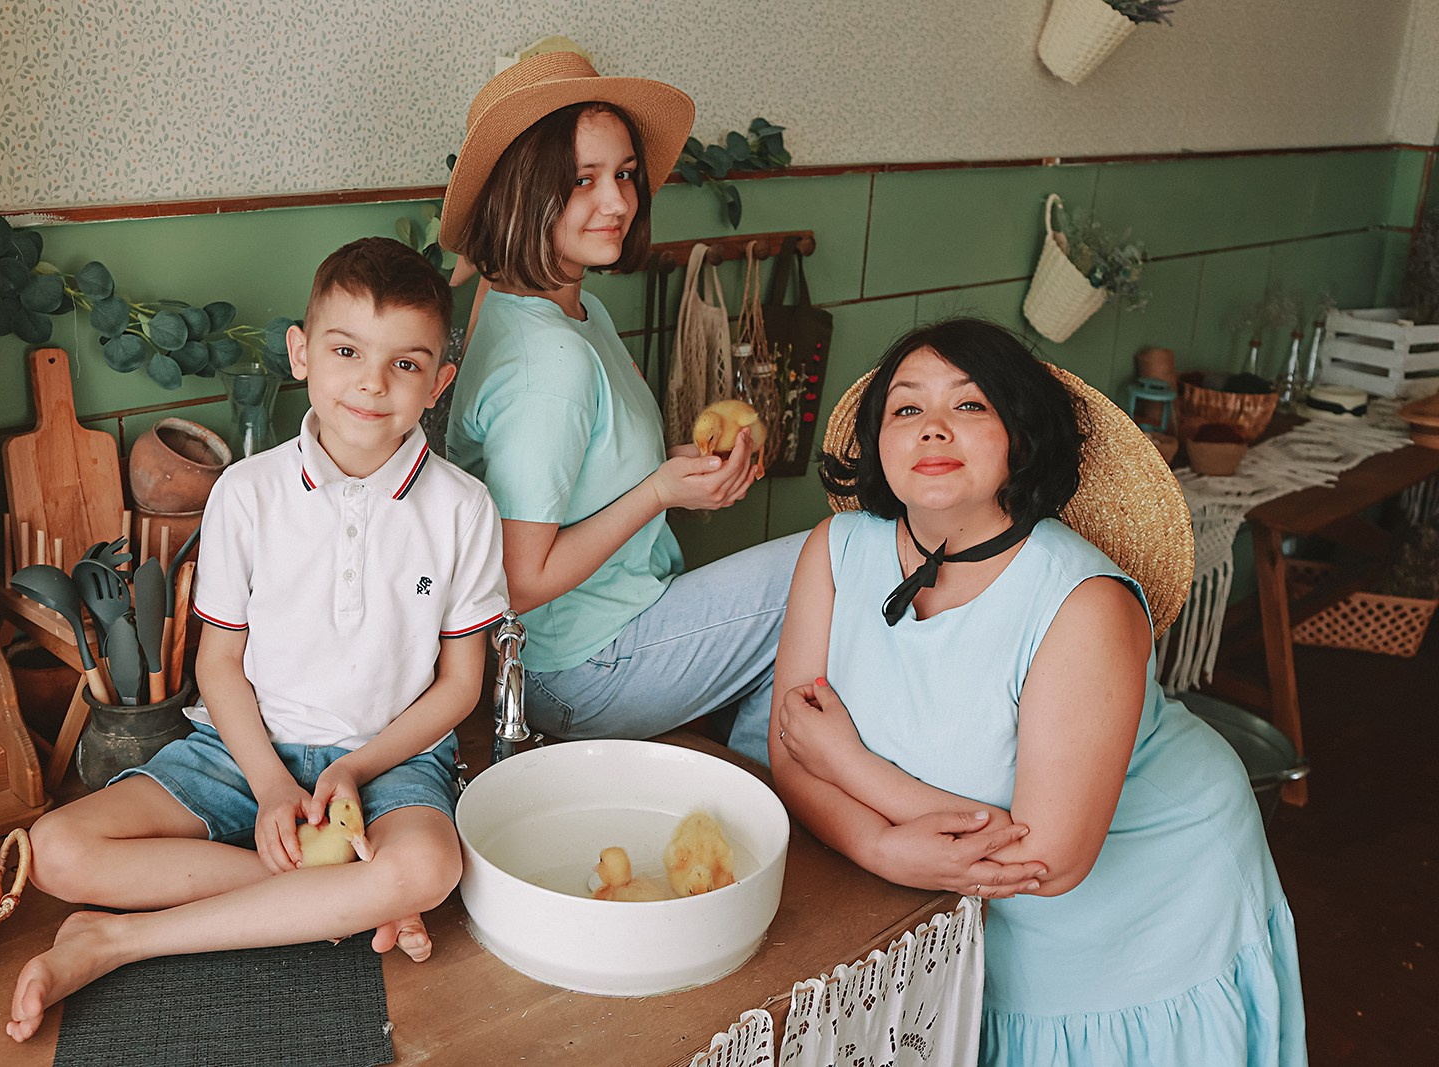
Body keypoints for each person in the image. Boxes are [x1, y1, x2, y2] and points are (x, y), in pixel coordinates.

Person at [5, 238, 508, 1042]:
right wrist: (272, 785)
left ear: (438, 383)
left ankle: (118, 939)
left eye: (406, 364)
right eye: (346, 351)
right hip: (238, 753)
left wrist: (354, 766)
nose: (372, 382)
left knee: (428, 865)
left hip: (391, 761)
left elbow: (459, 686)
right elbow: (220, 663)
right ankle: (342, 898)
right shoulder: (246, 491)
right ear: (301, 353)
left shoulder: (463, 507)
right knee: (57, 848)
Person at [771, 318, 1306, 1065]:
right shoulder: (833, 552)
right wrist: (878, 845)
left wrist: (848, 764)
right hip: (955, 907)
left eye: (969, 405)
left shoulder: (1083, 601)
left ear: (1019, 437)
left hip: (1144, 906)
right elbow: (790, 749)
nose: (932, 427)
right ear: (877, 441)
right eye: (906, 407)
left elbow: (1044, 858)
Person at [440, 51, 803, 763]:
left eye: (625, 174)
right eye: (583, 180)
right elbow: (519, 581)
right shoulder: (550, 360)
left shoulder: (568, 311)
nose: (618, 202)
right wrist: (660, 490)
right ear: (524, 192)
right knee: (832, 562)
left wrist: (680, 472)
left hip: (608, 630)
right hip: (581, 669)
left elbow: (582, 470)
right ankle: (768, 783)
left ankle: (750, 775)